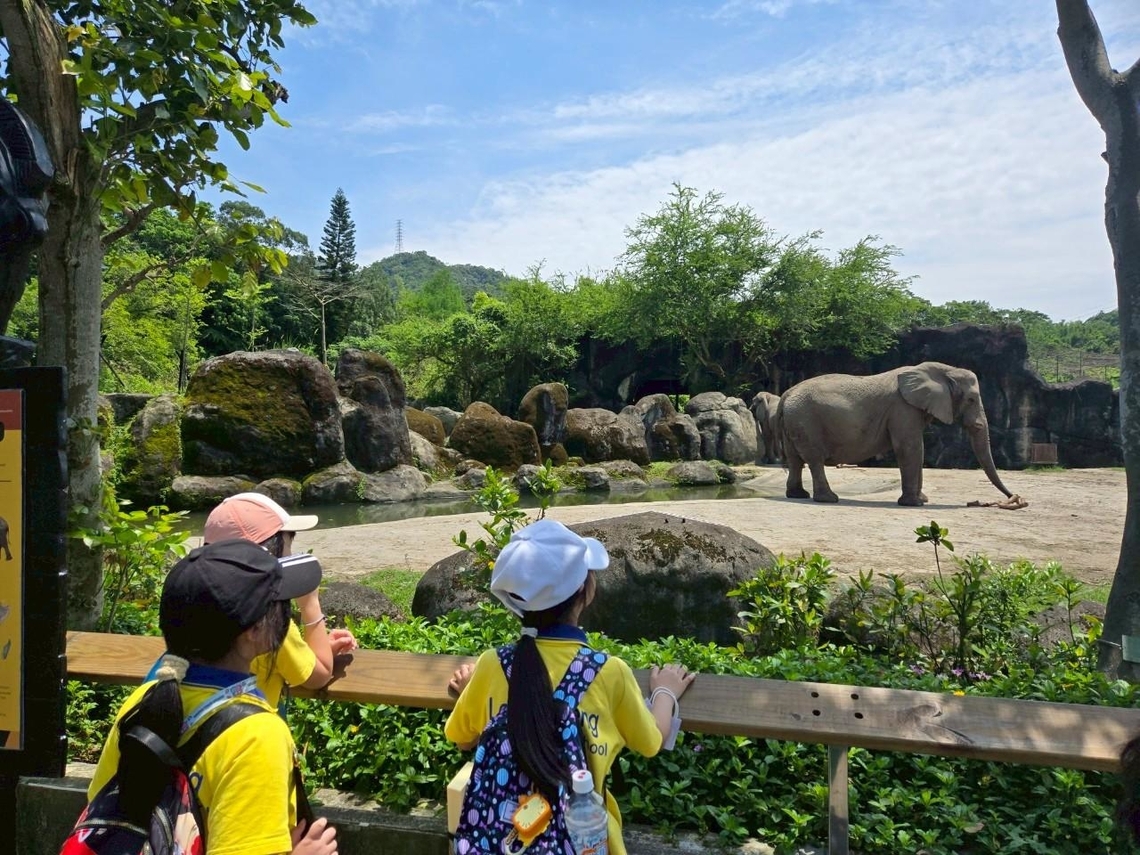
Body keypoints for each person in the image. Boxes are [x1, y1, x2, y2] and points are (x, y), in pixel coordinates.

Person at [445, 518, 696, 855]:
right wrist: (665, 692)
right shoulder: (609, 672)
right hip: (587, 842)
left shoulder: (492, 664)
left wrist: (470, 691)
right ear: (584, 590)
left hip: (499, 842)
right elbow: (652, 742)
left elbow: (462, 739)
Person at [87, 539, 339, 855]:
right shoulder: (256, 735)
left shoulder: (143, 700)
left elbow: (101, 825)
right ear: (253, 631)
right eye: (278, 605)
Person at [200, 492, 357, 711]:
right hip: (253, 725)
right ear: (269, 554)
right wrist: (310, 604)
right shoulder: (268, 622)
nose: (291, 554)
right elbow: (319, 675)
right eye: (288, 546)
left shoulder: (196, 607)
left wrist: (316, 650)